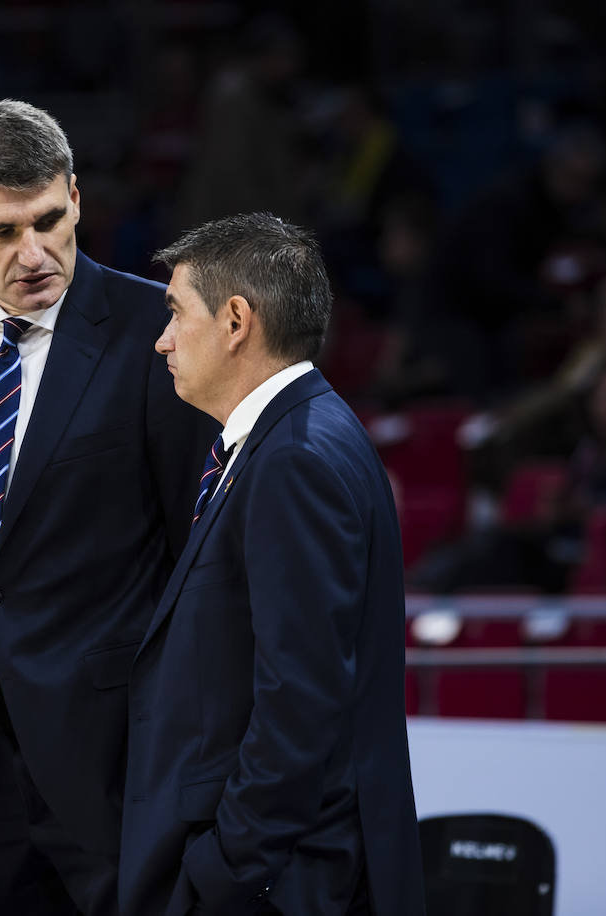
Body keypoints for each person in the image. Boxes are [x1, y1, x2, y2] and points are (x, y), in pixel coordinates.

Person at [0, 99, 214, 915]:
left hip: (110, 779)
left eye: (50, 220)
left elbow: (193, 563)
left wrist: (167, 751)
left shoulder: (153, 330)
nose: (34, 253)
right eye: (1, 232)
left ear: (77, 199)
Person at [121, 213, 423, 916]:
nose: (162, 339)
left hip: (282, 881)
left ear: (235, 321)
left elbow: (301, 697)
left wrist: (230, 866)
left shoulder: (296, 458)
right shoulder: (299, 437)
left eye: (174, 313)